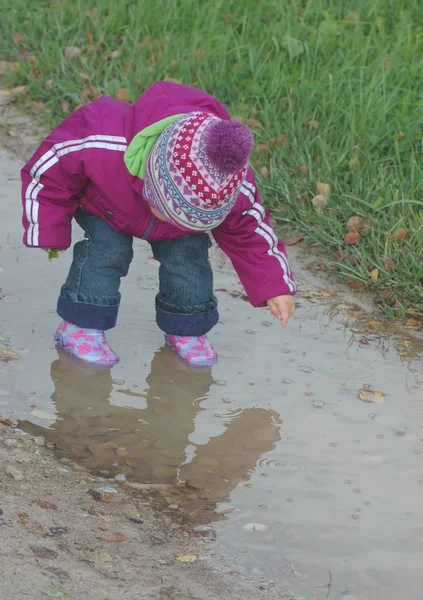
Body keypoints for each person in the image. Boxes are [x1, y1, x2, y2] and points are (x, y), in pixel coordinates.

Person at [21, 82, 296, 367]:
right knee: (107, 250)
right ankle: (81, 325)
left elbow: (249, 229)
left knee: (188, 254)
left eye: (185, 217)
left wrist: (275, 285)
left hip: (178, 231)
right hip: (108, 205)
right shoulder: (102, 136)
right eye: (164, 209)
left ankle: (187, 327)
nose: (167, 219)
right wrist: (47, 226)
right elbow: (50, 170)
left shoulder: (228, 180)